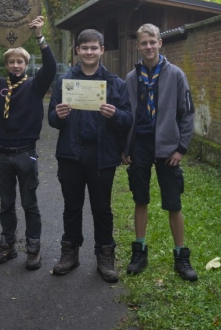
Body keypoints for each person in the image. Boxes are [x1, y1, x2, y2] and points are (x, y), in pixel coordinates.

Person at [48, 29, 133, 283]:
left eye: (94, 48)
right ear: (77, 50)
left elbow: (128, 119)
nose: (89, 52)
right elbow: (52, 118)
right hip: (71, 155)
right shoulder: (65, 82)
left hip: (101, 156)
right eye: (84, 48)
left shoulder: (114, 83)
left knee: (102, 209)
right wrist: (58, 116)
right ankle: (70, 253)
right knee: (72, 207)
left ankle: (105, 256)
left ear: (102, 50)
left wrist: (114, 114)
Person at [0, 15, 56, 270]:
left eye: (20, 61)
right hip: (1, 155)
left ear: (26, 64)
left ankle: (33, 249)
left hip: (26, 154)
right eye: (11, 61)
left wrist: (39, 37)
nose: (15, 65)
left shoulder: (35, 86)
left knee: (29, 203)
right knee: (7, 204)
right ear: (6, 64)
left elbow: (51, 68)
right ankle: (8, 244)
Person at [121, 23, 197, 281]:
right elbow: (127, 115)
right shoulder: (132, 78)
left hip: (167, 147)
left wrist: (181, 148)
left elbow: (187, 114)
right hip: (140, 144)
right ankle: (139, 251)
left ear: (160, 43)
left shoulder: (176, 75)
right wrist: (125, 147)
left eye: (152, 41)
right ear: (138, 46)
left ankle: (181, 256)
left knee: (173, 203)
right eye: (144, 43)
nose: (149, 46)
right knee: (140, 198)